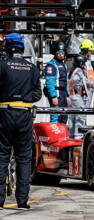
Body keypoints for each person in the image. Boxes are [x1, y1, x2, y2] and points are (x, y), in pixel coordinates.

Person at [0, 33, 42, 209]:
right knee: (24, 158)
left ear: (7, 48)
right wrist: (24, 98)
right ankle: (22, 201)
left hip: (4, 114)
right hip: (25, 114)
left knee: (2, 157)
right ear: (22, 48)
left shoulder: (2, 65)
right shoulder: (32, 68)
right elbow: (37, 95)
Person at [68, 54, 94, 139]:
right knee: (80, 117)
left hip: (73, 98)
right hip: (77, 98)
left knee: (72, 119)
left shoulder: (74, 70)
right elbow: (76, 80)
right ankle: (78, 137)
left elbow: (85, 80)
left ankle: (72, 137)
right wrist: (79, 88)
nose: (84, 65)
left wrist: (93, 84)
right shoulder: (78, 71)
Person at [44, 42, 70, 124]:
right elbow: (49, 82)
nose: (61, 54)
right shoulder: (51, 65)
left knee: (64, 116)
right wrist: (53, 96)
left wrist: (68, 95)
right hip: (57, 93)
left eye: (63, 52)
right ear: (55, 52)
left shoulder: (64, 65)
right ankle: (54, 135)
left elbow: (66, 81)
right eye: (59, 52)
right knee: (55, 116)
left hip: (63, 94)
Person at [80, 39, 94, 107]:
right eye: (90, 50)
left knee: (86, 111)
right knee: (83, 111)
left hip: (89, 90)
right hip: (85, 91)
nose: (92, 52)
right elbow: (81, 77)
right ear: (86, 50)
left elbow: (89, 74)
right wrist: (92, 83)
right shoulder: (81, 62)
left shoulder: (88, 61)